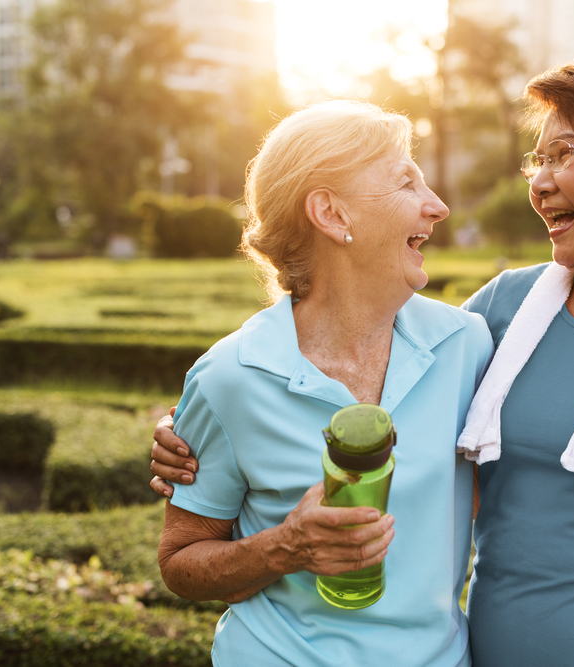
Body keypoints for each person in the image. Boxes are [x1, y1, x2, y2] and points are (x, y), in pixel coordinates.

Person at [148, 44, 574, 666]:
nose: (539, 181)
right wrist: (189, 429)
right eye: (536, 159)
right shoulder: (498, 315)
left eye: (564, 153)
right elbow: (344, 358)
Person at [156, 99, 494, 666]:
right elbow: (181, 562)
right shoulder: (228, 377)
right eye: (405, 182)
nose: (438, 207)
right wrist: (283, 548)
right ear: (333, 214)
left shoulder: (468, 347)